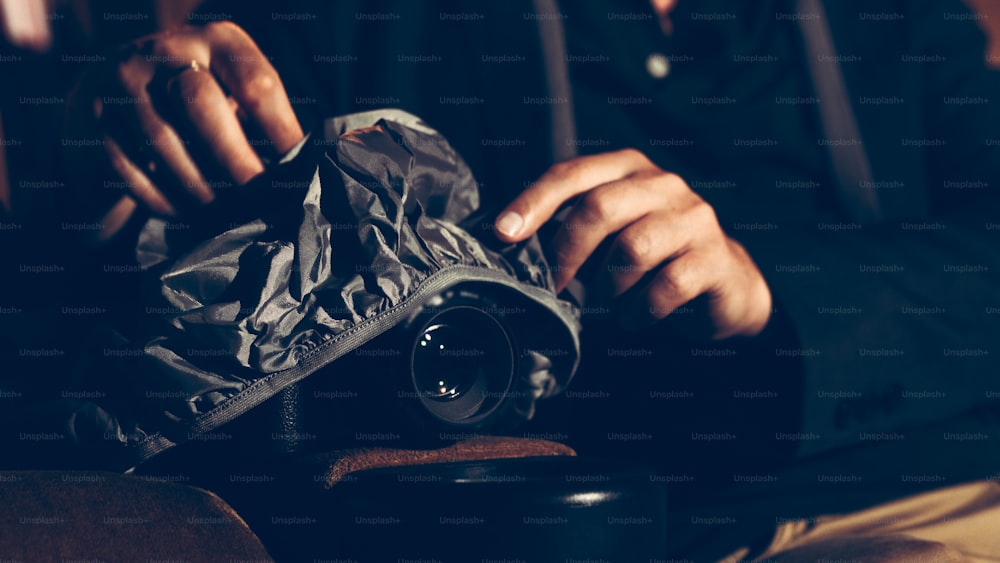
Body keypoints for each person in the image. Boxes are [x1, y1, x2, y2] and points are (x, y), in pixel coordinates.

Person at [8, 0, 1000, 558]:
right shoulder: (350, 18)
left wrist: (771, 295)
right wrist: (100, 179)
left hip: (922, 489)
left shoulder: (894, 23)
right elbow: (135, 317)